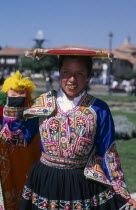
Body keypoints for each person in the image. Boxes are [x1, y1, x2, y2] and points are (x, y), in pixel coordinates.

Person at [0, 48, 136, 210]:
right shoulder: (42, 102)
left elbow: (108, 154)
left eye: (79, 74)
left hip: (82, 183)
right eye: (66, 72)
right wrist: (14, 106)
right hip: (45, 181)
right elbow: (17, 139)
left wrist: (122, 192)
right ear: (59, 72)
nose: (72, 79)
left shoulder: (99, 108)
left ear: (88, 77)